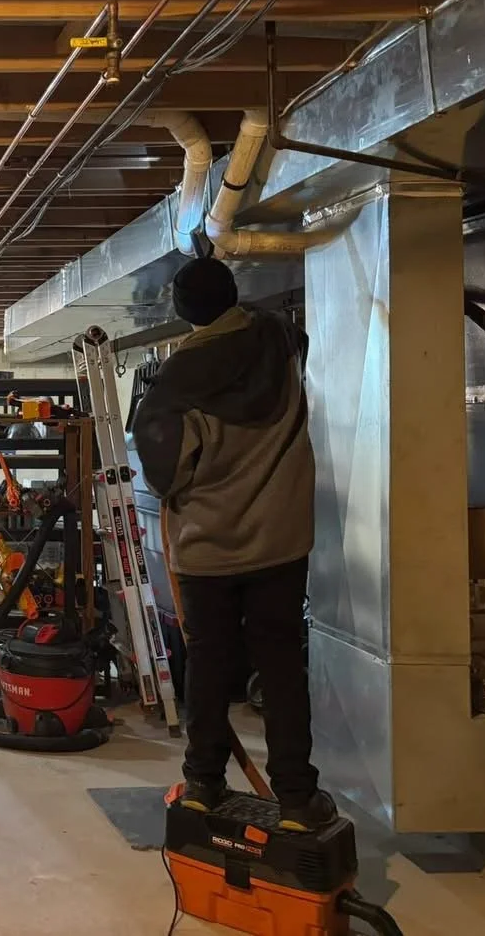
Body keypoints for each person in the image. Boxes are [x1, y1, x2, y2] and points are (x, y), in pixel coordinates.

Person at [131, 256, 335, 832]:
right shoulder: (280, 340)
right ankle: (296, 798)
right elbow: (290, 330)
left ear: (180, 313)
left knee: (211, 666)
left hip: (207, 550)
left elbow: (167, 477)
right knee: (280, 665)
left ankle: (202, 786)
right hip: (282, 541)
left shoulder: (174, 385)